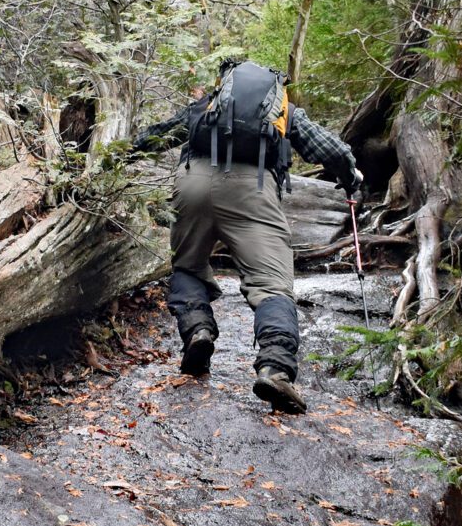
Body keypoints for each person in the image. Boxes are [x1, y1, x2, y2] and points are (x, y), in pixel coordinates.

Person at [130, 61, 361, 414]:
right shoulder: (283, 111)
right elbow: (330, 151)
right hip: (251, 189)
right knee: (271, 285)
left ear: (225, 84)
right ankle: (275, 368)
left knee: (188, 265)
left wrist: (120, 159)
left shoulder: (210, 105)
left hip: (193, 183)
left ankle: (198, 331)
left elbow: (160, 134)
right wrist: (352, 177)